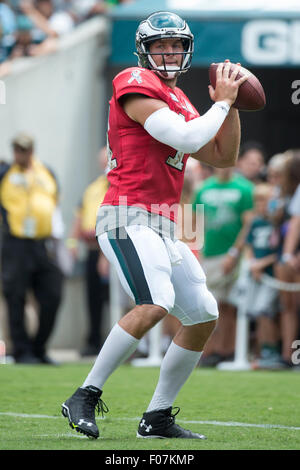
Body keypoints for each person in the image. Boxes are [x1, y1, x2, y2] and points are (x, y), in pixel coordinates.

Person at [61, 11, 248, 440]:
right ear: (144, 51)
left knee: (203, 313)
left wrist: (231, 105)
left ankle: (157, 416)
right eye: (160, 45)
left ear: (187, 51)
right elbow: (185, 140)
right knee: (158, 300)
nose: (169, 52)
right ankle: (85, 394)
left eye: (176, 45)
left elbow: (222, 157)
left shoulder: (183, 101)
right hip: (126, 213)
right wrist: (220, 103)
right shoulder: (134, 80)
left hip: (163, 223)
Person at [0, 132, 64, 364]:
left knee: (53, 294)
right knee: (15, 296)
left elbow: (55, 204)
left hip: (43, 242)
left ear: (32, 150)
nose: (20, 154)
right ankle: (21, 350)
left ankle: (39, 347)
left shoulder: (46, 172)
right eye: (17, 150)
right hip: (15, 243)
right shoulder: (5, 173)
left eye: (24, 150)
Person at [192, 167, 254, 366]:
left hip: (232, 254)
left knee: (230, 306)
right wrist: (196, 250)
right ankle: (210, 351)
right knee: (211, 305)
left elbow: (248, 223)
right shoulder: (204, 188)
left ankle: (226, 350)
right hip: (209, 253)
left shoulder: (244, 188)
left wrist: (235, 252)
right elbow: (194, 221)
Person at [67, 147, 109, 356]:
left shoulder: (116, 184)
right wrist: (72, 242)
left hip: (111, 248)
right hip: (92, 249)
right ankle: (94, 340)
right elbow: (79, 214)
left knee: (116, 299)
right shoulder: (92, 187)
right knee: (93, 298)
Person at [244, 183, 281, 369]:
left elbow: (279, 251)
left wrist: (261, 264)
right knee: (256, 313)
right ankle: (263, 350)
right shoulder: (255, 222)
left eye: (264, 200)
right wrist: (252, 264)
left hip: (271, 276)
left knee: (265, 310)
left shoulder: (276, 224)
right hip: (256, 275)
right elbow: (249, 245)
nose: (260, 204)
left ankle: (272, 350)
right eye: (257, 201)